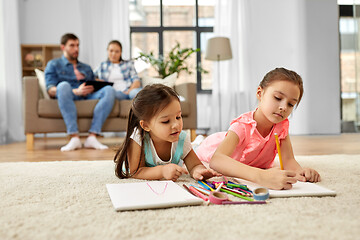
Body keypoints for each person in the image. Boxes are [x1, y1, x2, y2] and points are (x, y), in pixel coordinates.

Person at [196, 67, 321, 190]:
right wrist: (260, 176)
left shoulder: (281, 126)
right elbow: (216, 160)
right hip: (211, 146)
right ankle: (198, 141)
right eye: (277, 98)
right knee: (196, 147)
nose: (284, 107)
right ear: (260, 93)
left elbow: (288, 160)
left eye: (290, 104)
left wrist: (301, 172)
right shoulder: (242, 126)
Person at [114, 84, 220, 181]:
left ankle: (198, 142)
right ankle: (198, 142)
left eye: (178, 117)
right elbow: (136, 171)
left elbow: (194, 165)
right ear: (146, 125)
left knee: (197, 147)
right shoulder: (138, 137)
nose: (176, 125)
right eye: (166, 121)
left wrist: (198, 170)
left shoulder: (181, 138)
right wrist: (162, 171)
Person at [45, 33, 116, 152]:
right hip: (69, 94)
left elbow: (93, 83)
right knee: (63, 86)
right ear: (63, 47)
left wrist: (96, 85)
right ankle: (74, 137)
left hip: (88, 95)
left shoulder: (86, 67)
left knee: (109, 90)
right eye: (72, 45)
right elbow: (51, 90)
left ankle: (92, 137)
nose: (76, 49)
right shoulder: (53, 64)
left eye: (77, 45)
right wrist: (76, 91)